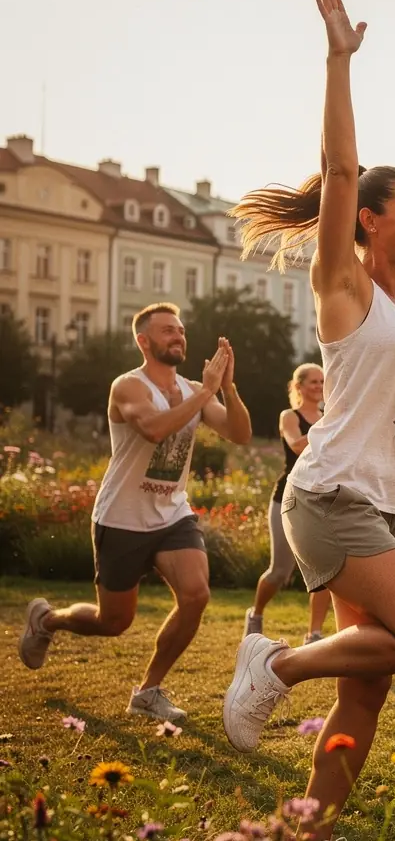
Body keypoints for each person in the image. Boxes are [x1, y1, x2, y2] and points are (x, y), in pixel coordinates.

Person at [221, 0, 395, 841]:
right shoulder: (347, 288)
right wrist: (338, 61)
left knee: (367, 692)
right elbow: (337, 173)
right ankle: (276, 661)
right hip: (331, 499)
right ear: (371, 222)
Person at [18, 303, 252, 722]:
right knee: (114, 622)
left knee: (196, 595)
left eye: (180, 330)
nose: (177, 336)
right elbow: (154, 428)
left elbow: (240, 434)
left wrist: (228, 390)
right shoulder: (129, 386)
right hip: (121, 518)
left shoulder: (194, 387)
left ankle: (147, 691)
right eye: (166, 331)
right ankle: (47, 621)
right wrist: (205, 392)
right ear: (143, 341)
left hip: (171, 515)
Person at [242, 363, 332, 645]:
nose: (318, 386)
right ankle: (255, 615)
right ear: (299, 387)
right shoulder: (289, 416)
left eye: (321, 381)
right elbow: (296, 445)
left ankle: (314, 634)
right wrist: (331, 424)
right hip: (288, 497)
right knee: (280, 571)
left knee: (325, 569)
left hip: (321, 498)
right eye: (313, 382)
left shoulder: (329, 416)